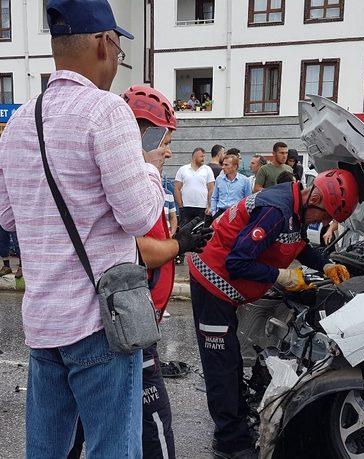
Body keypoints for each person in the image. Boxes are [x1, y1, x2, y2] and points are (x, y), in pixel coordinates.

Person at [0, 1, 167, 456]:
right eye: (118, 49)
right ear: (104, 43)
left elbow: (8, 218)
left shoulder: (19, 121)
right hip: (100, 322)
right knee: (113, 449)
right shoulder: (107, 112)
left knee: (47, 451)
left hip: (42, 323)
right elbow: (138, 217)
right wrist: (148, 168)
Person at [68, 85, 213, 459]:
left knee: (81, 420)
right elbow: (139, 252)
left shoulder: (133, 175)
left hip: (127, 321)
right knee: (154, 426)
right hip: (128, 327)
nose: (168, 149)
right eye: (164, 138)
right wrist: (181, 245)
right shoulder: (132, 177)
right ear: (143, 131)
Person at [189, 169, 359, 458]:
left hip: (225, 290)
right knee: (223, 365)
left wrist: (326, 264)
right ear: (316, 197)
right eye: (327, 215)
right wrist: (281, 275)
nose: (326, 222)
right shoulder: (275, 211)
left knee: (230, 360)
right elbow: (237, 262)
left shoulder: (294, 208)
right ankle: (229, 443)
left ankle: (237, 427)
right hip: (212, 284)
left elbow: (299, 245)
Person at [174, 147, 215, 226]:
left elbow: (211, 189)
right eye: (201, 156)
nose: (203, 158)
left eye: (204, 156)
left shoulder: (208, 169)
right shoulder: (183, 169)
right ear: (194, 156)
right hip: (186, 207)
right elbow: (177, 188)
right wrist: (180, 206)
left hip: (202, 208)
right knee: (184, 232)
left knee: (200, 233)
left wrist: (209, 206)